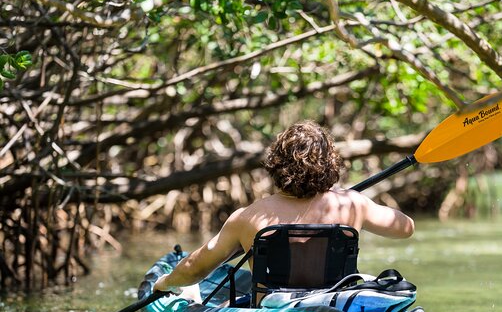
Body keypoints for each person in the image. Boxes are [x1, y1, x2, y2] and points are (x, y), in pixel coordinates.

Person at [153, 121, 415, 300]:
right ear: (331, 165)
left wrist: (164, 284)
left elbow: (193, 269)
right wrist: (351, 198)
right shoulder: (353, 204)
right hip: (333, 308)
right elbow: (406, 229)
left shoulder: (250, 217)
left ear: (277, 164)